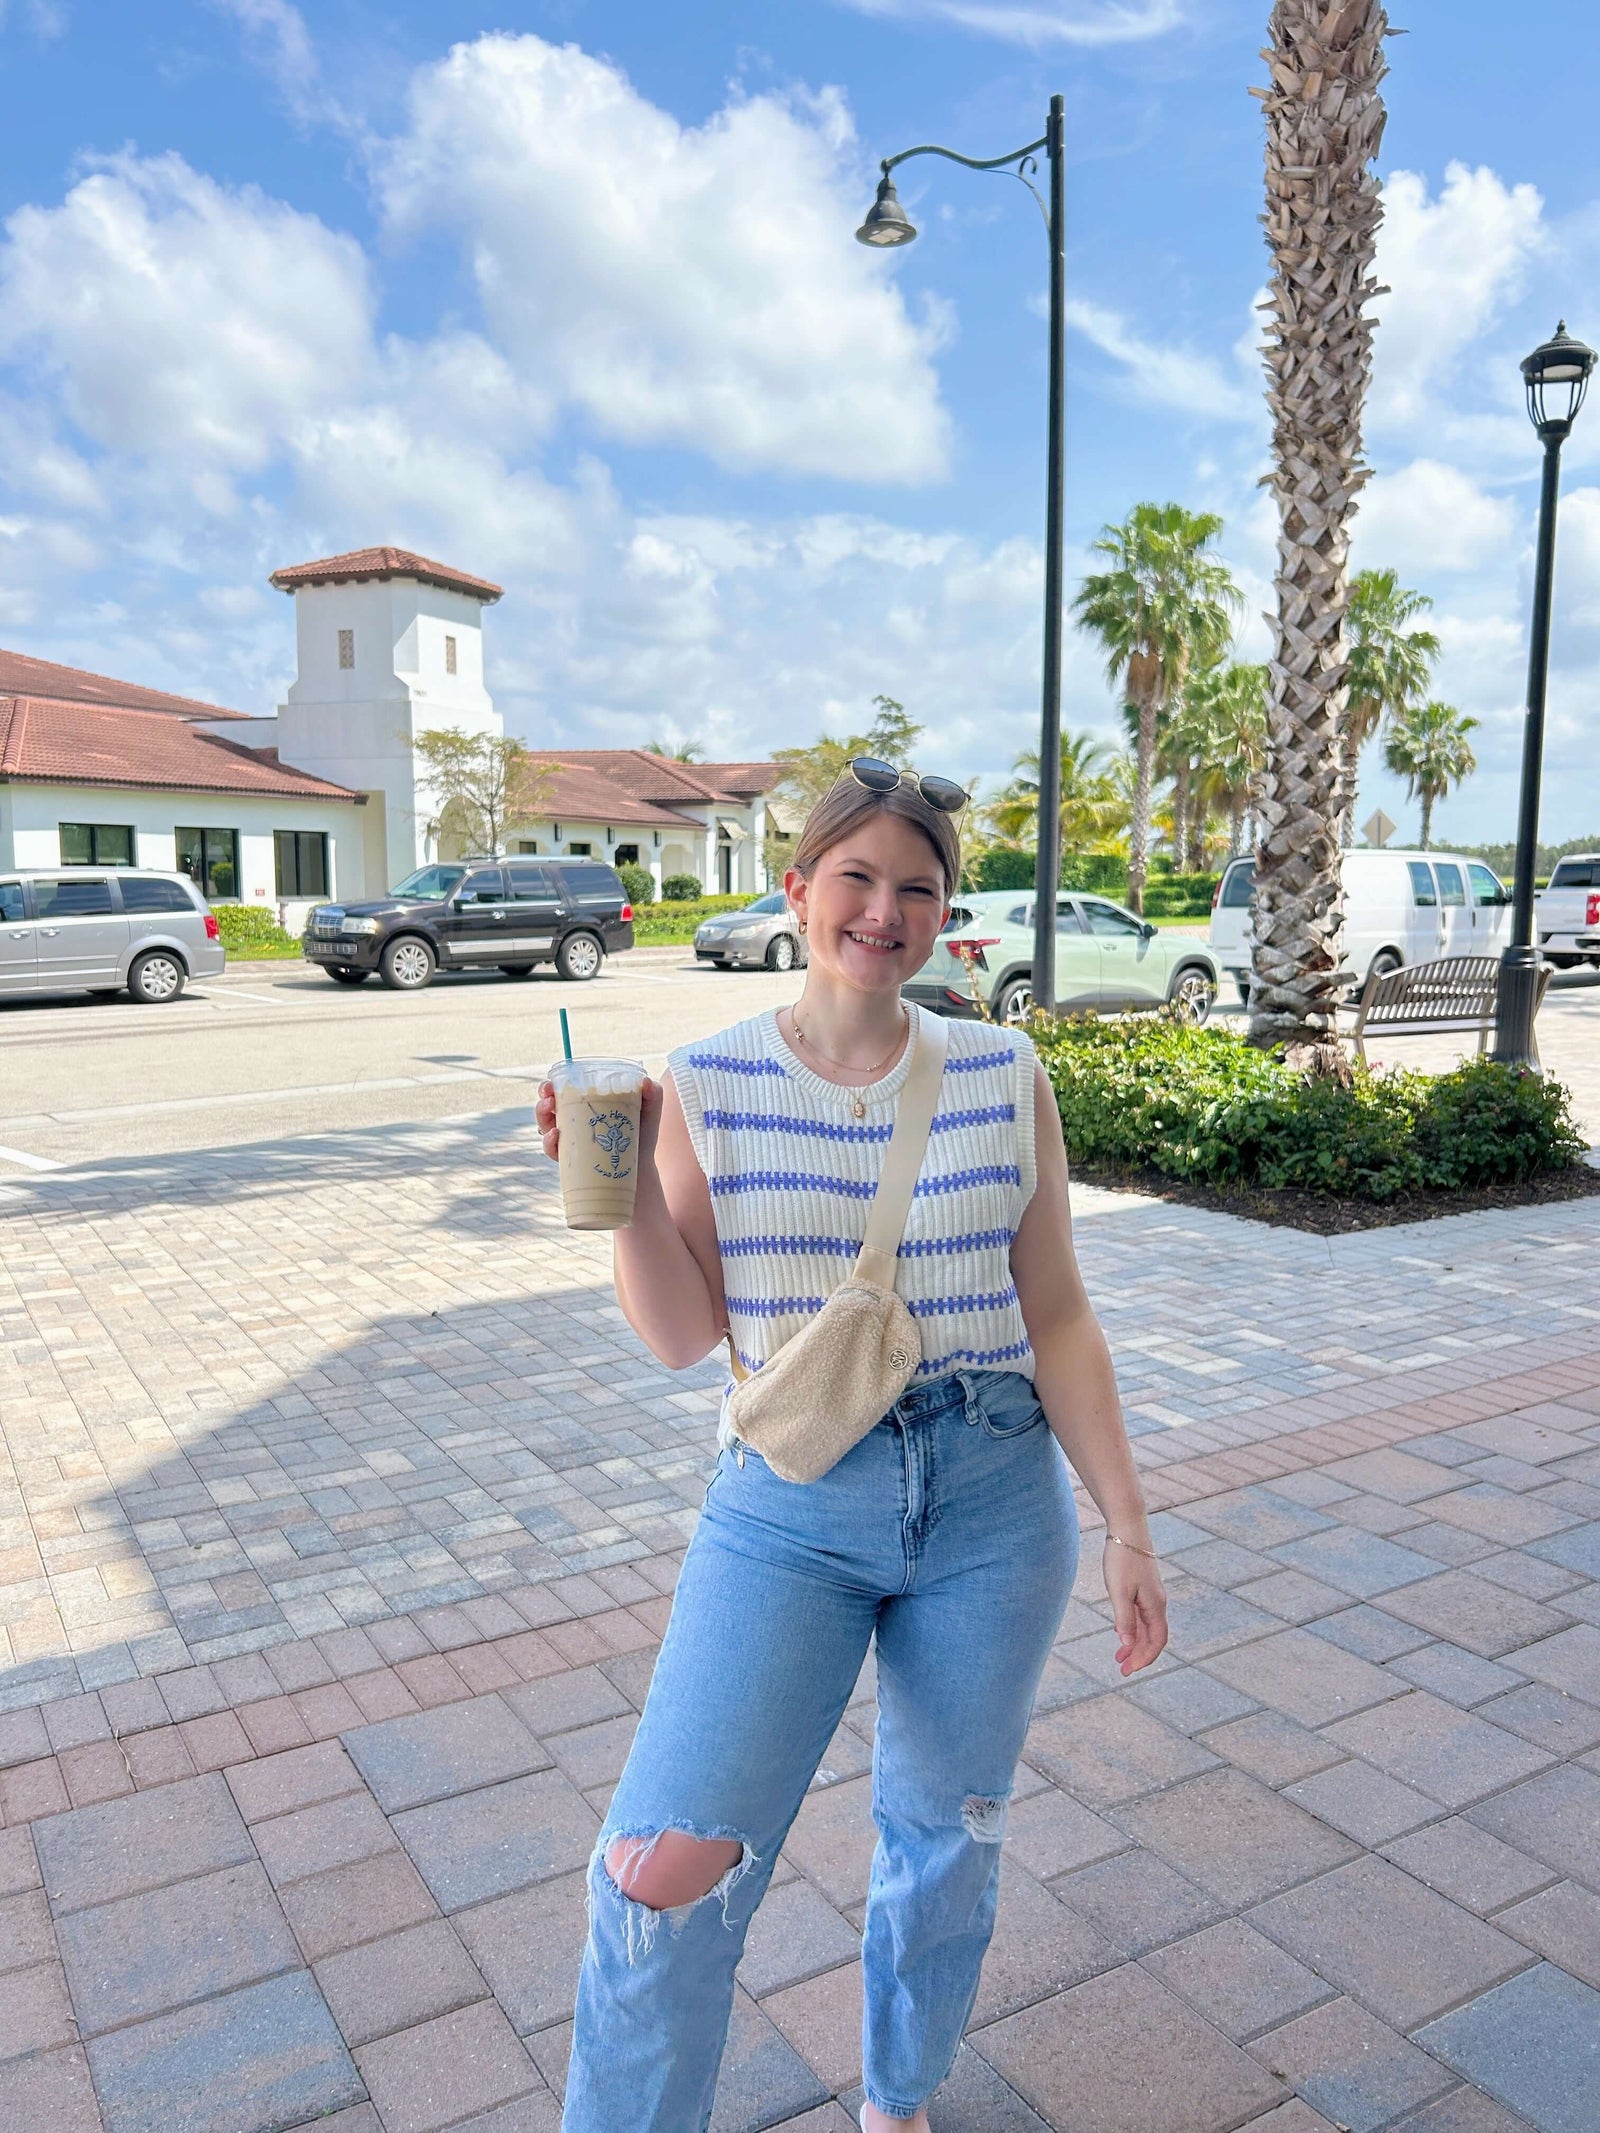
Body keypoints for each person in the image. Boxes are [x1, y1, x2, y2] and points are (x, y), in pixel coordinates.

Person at [538, 760, 1168, 2133]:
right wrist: (627, 1192)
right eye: (859, 879)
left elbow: (1056, 1312)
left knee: (947, 1837)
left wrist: (1125, 1520)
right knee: (661, 1865)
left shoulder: (1004, 1069)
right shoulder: (704, 1080)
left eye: (919, 888)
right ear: (800, 889)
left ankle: (901, 2095)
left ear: (947, 912)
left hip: (995, 1490)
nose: (885, 911)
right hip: (791, 1502)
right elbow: (682, 1329)